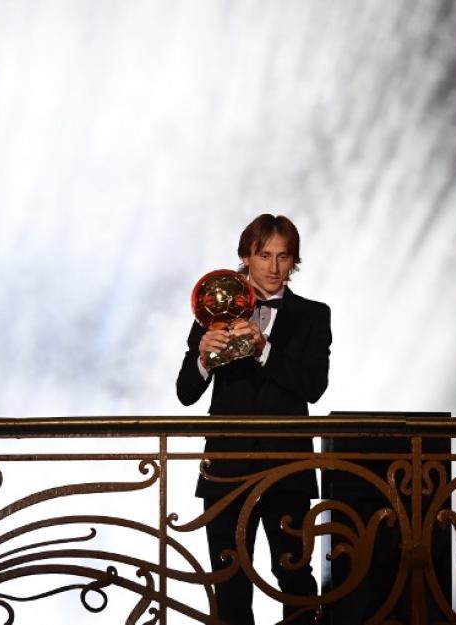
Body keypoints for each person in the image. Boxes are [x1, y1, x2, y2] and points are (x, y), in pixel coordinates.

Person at [176, 214, 331, 625]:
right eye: (265, 255)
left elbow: (314, 386)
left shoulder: (314, 316)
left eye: (284, 257)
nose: (274, 267)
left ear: (294, 261)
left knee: (295, 578)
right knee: (229, 584)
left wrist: (264, 349)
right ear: (246, 256)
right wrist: (204, 358)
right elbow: (186, 394)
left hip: (288, 466)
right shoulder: (212, 311)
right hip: (226, 468)